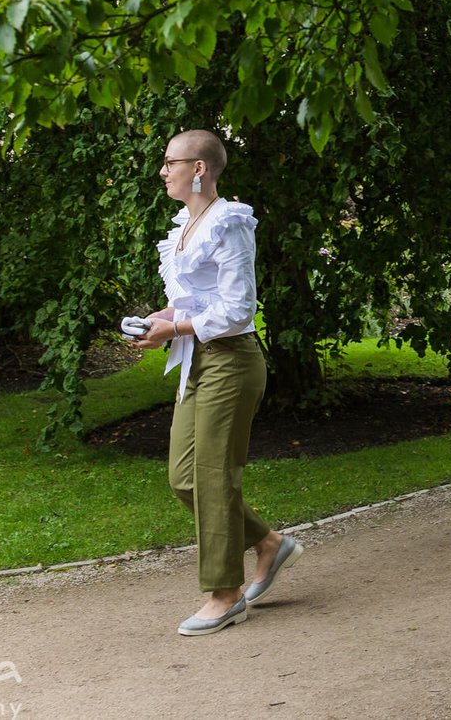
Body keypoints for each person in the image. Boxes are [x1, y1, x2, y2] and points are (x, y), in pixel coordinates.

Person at [129, 129, 302, 635]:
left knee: (212, 476)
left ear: (199, 168)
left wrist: (175, 327)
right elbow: (194, 302)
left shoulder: (229, 223)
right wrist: (159, 321)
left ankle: (225, 595)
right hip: (195, 359)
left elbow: (237, 308)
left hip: (231, 361)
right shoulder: (186, 224)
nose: (163, 171)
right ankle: (270, 543)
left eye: (170, 162)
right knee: (184, 477)